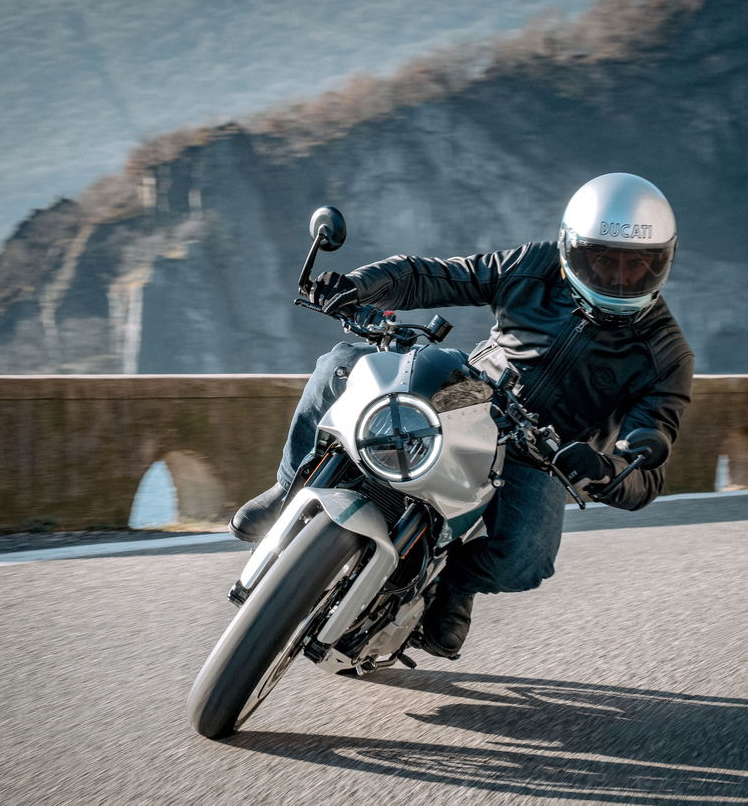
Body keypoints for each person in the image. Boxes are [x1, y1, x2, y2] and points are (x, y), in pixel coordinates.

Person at [229, 172, 696, 659]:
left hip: (540, 452)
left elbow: (647, 467)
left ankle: (452, 585)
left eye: (637, 265)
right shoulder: (535, 265)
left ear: (663, 261)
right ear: (569, 249)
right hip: (465, 393)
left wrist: (605, 470)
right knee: (342, 364)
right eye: (601, 260)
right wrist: (358, 286)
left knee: (527, 559)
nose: (618, 279)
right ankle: (289, 487)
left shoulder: (666, 354)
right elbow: (434, 275)